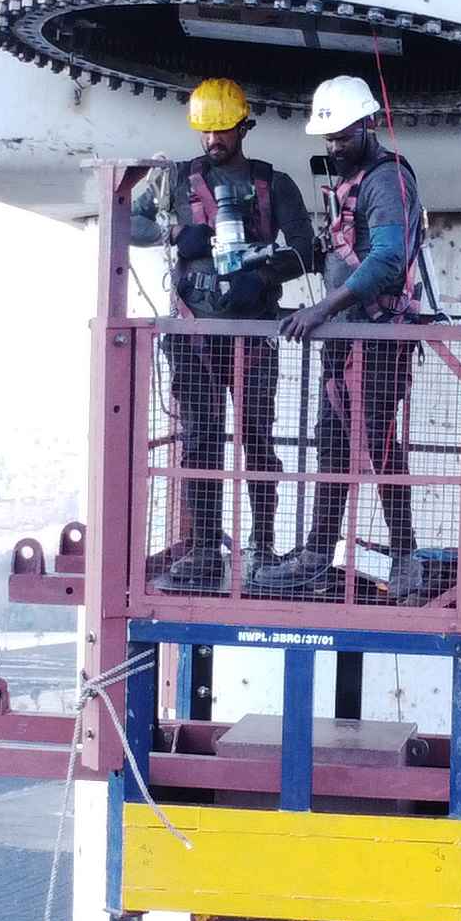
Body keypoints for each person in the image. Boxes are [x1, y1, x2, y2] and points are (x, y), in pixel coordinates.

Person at [125, 77, 317, 593]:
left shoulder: (273, 185)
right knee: (200, 441)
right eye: (206, 130)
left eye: (223, 129)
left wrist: (262, 274)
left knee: (257, 439)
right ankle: (207, 548)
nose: (214, 140)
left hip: (253, 331)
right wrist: (171, 232)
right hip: (192, 333)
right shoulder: (176, 182)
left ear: (241, 125)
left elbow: (306, 248)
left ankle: (262, 548)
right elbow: (125, 221)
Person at [265, 73, 440, 600]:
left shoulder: (386, 181)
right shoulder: (354, 180)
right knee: (334, 442)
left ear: (367, 125)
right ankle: (320, 551)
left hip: (378, 336)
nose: (334, 147)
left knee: (380, 445)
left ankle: (405, 559)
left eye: (342, 136)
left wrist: (322, 308)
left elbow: (387, 259)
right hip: (348, 336)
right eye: (328, 138)